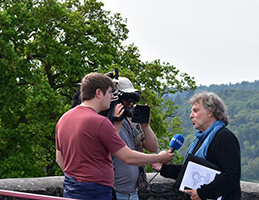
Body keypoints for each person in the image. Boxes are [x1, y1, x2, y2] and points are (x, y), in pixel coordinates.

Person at [55, 72, 174, 200]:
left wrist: (78, 180)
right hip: (96, 192)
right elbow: (128, 157)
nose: (112, 97)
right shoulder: (100, 122)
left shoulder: (64, 119)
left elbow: (60, 159)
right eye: (110, 92)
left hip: (72, 190)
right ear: (99, 93)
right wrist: (160, 158)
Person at [152, 91, 241, 200]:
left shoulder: (224, 137)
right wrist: (164, 168)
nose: (191, 115)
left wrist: (202, 193)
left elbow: (231, 175)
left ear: (210, 112)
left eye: (195, 111)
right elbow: (191, 171)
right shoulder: (201, 139)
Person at [111, 77, 159, 200]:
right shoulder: (106, 121)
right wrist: (117, 121)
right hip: (113, 191)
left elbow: (153, 147)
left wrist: (145, 126)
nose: (129, 103)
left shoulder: (132, 122)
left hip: (132, 193)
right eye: (127, 98)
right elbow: (110, 148)